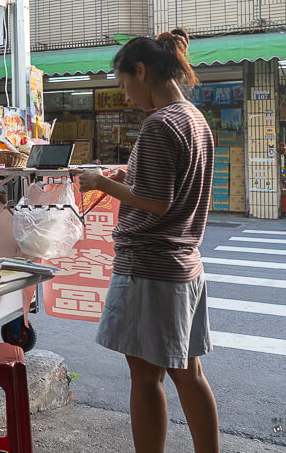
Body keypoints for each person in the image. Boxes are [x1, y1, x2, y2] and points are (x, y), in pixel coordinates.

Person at [73, 28, 219, 453]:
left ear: (141, 70)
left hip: (149, 269)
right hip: (183, 266)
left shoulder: (159, 124)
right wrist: (128, 178)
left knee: (146, 377)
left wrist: (101, 182)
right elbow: (172, 188)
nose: (126, 96)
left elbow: (156, 203)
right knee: (189, 374)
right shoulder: (194, 119)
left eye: (124, 84)